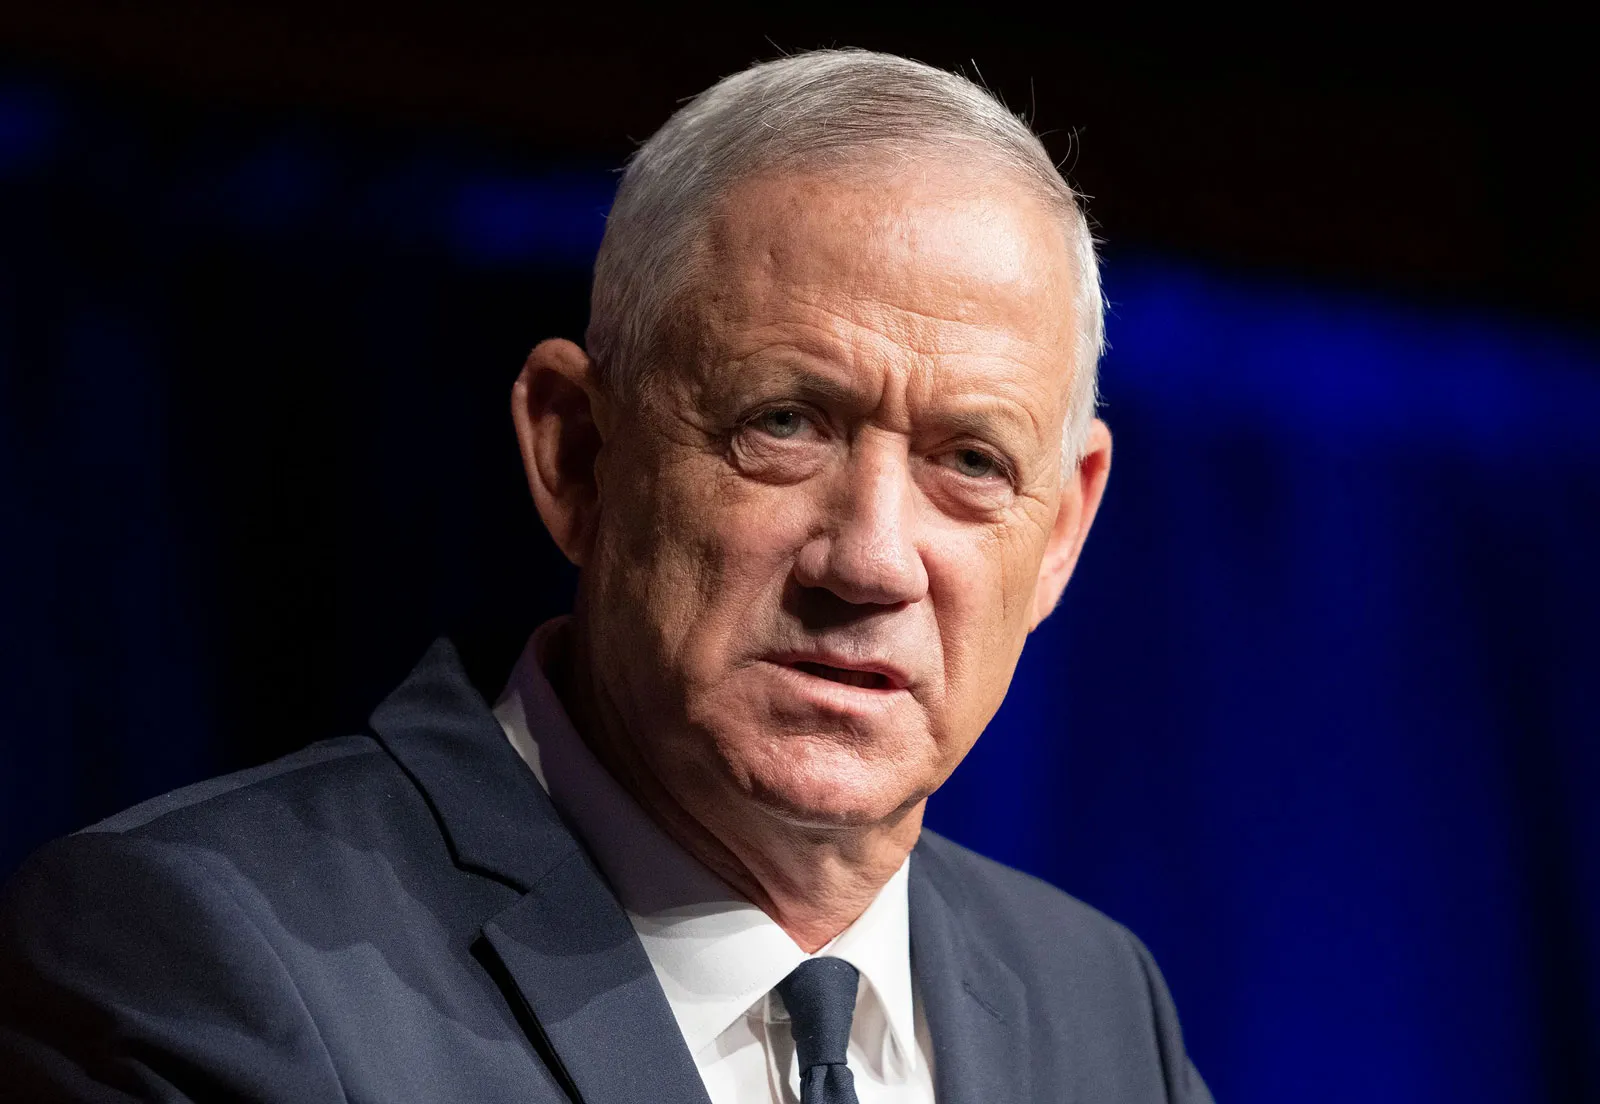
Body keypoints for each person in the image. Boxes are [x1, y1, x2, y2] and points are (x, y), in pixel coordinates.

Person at [0, 49, 1212, 1103]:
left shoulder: (1098, 1004)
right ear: (576, 452)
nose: (871, 559)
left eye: (971, 461)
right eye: (784, 422)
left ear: (1061, 533)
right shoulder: (192, 960)